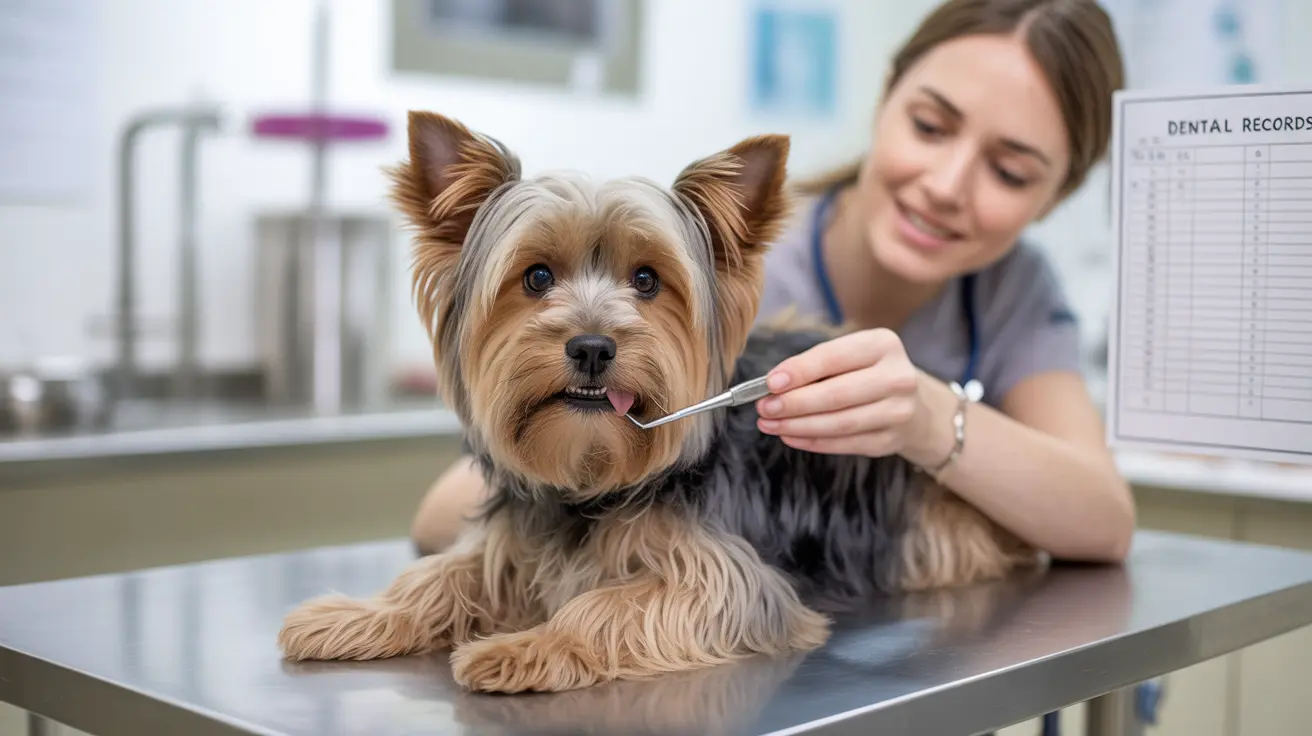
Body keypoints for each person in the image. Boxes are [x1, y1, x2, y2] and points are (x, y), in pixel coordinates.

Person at [410, 0, 1135, 565]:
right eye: (930, 126)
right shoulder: (726, 262)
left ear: (1057, 195)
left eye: (1010, 172)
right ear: (885, 96)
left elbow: (1102, 519)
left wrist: (918, 413)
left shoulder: (1014, 292)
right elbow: (441, 513)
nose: (947, 186)